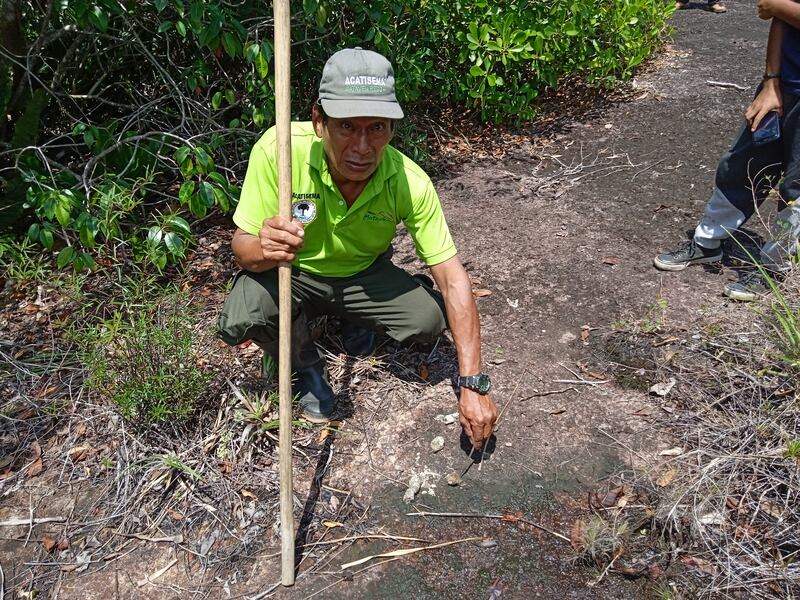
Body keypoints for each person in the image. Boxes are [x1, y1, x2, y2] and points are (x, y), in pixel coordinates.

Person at [217, 48, 498, 449]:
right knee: (244, 314)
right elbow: (241, 251)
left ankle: (354, 318)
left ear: (392, 129)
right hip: (293, 273)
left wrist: (473, 383)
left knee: (428, 321)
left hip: (362, 274)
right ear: (319, 120)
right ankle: (303, 366)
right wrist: (265, 246)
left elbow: (453, 279)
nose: (362, 147)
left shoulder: (408, 180)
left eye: (377, 127)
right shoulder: (278, 151)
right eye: (346, 126)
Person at [654, 2, 800, 301]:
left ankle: (775, 266)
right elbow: (777, 18)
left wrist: (779, 6)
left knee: (796, 189)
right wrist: (771, 80)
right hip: (782, 86)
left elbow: (775, 7)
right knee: (742, 165)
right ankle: (707, 242)